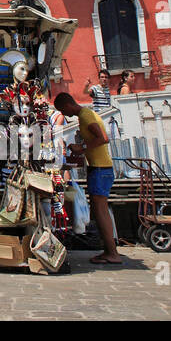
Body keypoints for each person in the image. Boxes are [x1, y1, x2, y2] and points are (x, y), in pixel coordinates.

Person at [54, 92, 122, 265]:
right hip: (99, 167)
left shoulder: (85, 115)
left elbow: (103, 138)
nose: (65, 114)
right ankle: (108, 251)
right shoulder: (86, 115)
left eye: (63, 110)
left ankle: (112, 252)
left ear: (68, 105)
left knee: (100, 211)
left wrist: (81, 147)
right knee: (99, 210)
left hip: (101, 168)